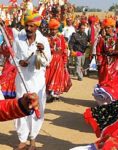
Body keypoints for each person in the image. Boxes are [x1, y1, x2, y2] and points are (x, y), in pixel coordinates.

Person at [13, 10, 51, 150]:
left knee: (37, 107)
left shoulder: (43, 41)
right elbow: (12, 58)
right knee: (21, 107)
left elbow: (47, 62)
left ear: (37, 27)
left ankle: (33, 138)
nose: (29, 29)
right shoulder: (18, 40)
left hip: (37, 80)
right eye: (27, 26)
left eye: (32, 26)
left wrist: (42, 51)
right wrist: (19, 62)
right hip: (22, 79)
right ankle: (22, 139)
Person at [46, 18, 72, 102]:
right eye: (52, 30)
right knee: (48, 76)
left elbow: (64, 51)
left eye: (55, 29)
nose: (53, 31)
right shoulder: (47, 38)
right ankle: (48, 94)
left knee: (58, 77)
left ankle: (56, 95)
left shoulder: (61, 38)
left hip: (59, 61)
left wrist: (65, 62)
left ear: (57, 29)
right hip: (49, 60)